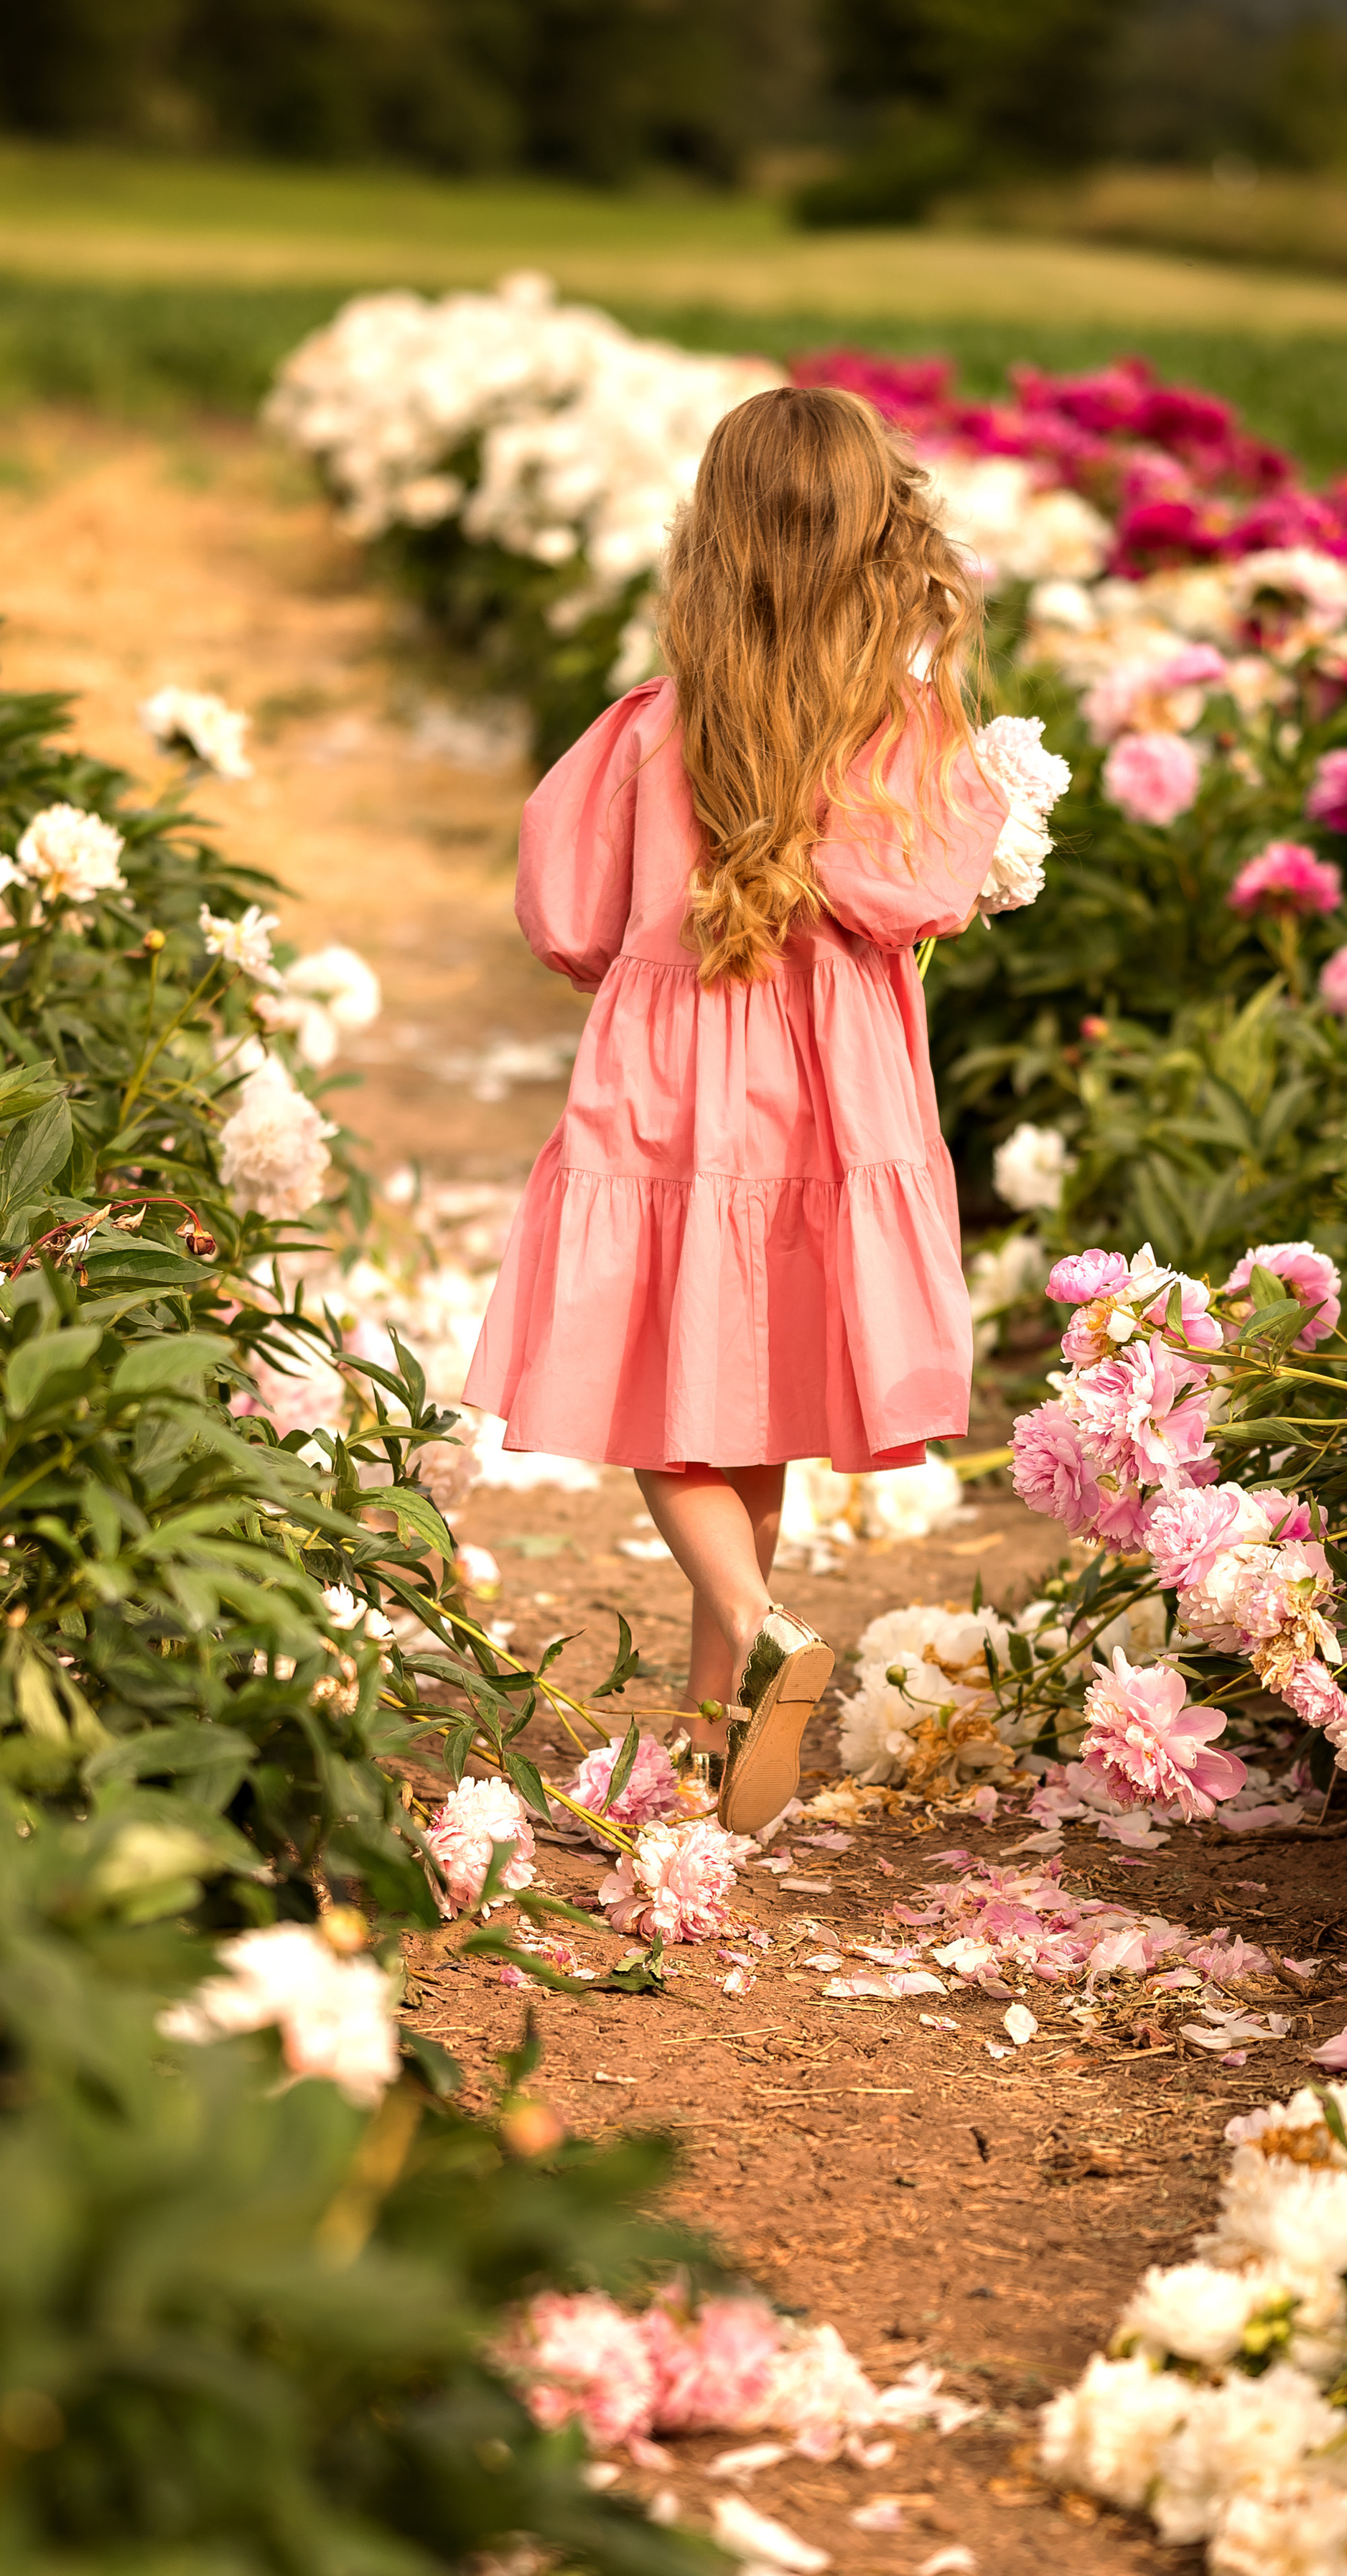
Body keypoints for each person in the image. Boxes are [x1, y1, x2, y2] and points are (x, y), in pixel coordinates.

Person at [464, 384, 1005, 1831]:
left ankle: (736, 1669)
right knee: (741, 1405)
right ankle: (729, 1710)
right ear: (879, 540)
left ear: (710, 541)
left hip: (669, 1076)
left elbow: (563, 908)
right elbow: (931, 893)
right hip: (830, 1098)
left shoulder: (649, 726)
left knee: (663, 1396)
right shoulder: (899, 729)